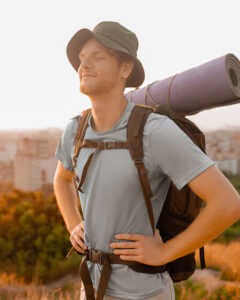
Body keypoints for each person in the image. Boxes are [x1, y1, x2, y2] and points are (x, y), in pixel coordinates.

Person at [53, 21, 240, 300]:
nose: (84, 66)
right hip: (91, 289)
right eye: (81, 58)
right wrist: (72, 223)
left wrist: (164, 252)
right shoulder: (75, 130)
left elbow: (228, 204)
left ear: (125, 69)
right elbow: (61, 179)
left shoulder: (154, 131)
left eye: (98, 57)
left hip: (145, 292)